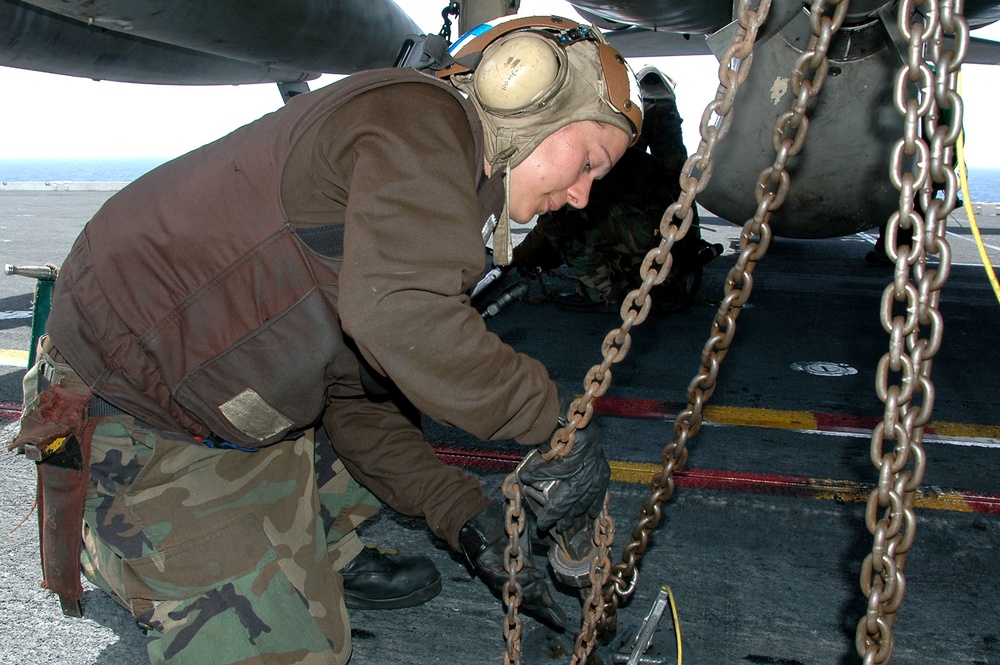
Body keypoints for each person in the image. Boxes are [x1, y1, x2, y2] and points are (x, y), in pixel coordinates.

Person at [9, 15, 640, 665]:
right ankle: (226, 549)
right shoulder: (417, 120)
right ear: (524, 89)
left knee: (377, 475)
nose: (585, 193)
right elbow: (398, 318)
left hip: (230, 397)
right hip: (129, 416)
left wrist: (464, 517)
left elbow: (357, 393)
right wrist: (554, 421)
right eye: (589, 159)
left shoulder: (432, 176)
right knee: (296, 653)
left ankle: (307, 540)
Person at [513, 66, 723, 312]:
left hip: (643, 248)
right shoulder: (637, 166)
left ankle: (602, 294)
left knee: (558, 219)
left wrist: (520, 258)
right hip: (670, 252)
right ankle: (661, 111)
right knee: (675, 180)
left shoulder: (592, 165)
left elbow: (549, 227)